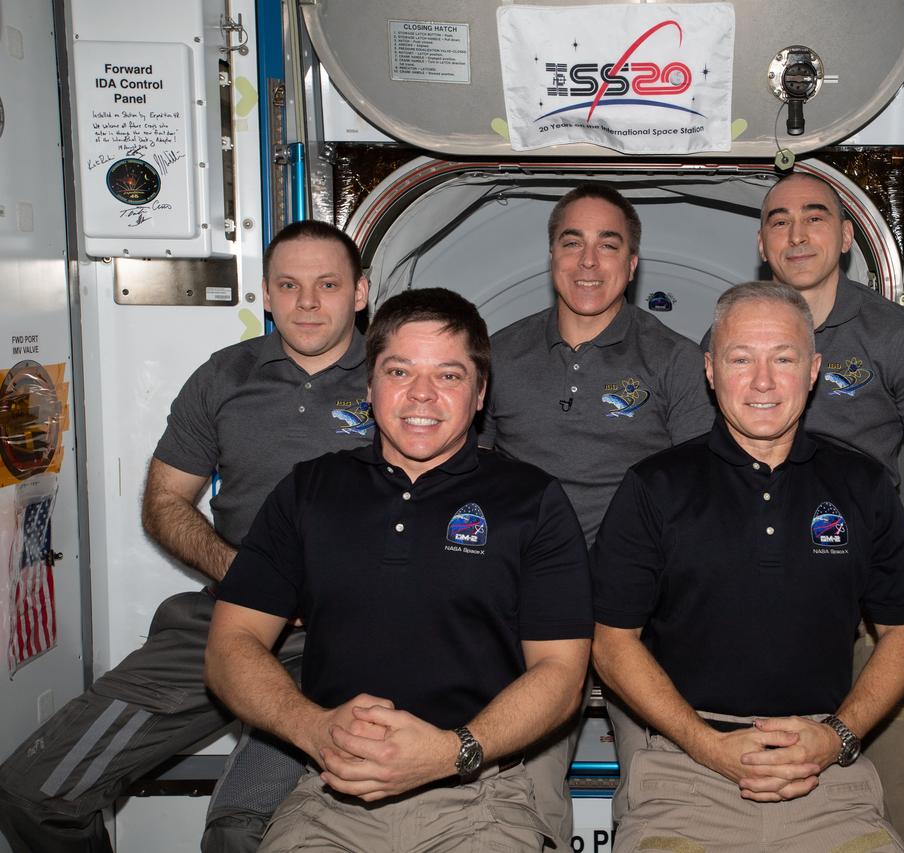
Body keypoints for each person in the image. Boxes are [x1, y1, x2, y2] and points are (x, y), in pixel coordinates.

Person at [0, 220, 374, 853]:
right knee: (35, 792)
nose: (307, 302)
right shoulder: (224, 376)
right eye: (289, 285)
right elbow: (165, 502)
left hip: (355, 636)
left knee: (238, 836)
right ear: (265, 292)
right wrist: (245, 574)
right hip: (227, 616)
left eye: (328, 284)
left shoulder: (403, 376)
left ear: (360, 292)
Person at [205, 287, 593, 851]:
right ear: (369, 385)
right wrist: (312, 729)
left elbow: (561, 675)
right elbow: (229, 645)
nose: (422, 395)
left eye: (450, 376)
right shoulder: (309, 491)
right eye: (399, 371)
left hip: (478, 798)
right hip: (330, 796)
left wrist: (451, 750)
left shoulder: (531, 501)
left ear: (480, 393)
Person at [592, 281, 904, 852]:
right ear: (710, 370)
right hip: (685, 774)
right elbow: (610, 643)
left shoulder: (864, 485)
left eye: (784, 359)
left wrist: (836, 737)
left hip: (825, 775)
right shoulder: (655, 487)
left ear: (815, 369)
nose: (764, 382)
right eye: (741, 359)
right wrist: (705, 744)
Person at [479, 183, 714, 844]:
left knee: (666, 785)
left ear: (633, 263)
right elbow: (470, 480)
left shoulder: (672, 358)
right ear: (551, 255)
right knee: (512, 787)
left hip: (637, 609)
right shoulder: (497, 354)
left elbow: (700, 492)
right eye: (571, 242)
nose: (588, 262)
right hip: (528, 603)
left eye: (608, 245)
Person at [757, 170, 904, 850]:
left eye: (815, 217)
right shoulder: (738, 332)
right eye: (779, 220)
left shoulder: (894, 335)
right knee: (765, 791)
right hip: (759, 597)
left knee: (903, 787)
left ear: (847, 237)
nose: (797, 234)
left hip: (867, 608)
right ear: (762, 243)